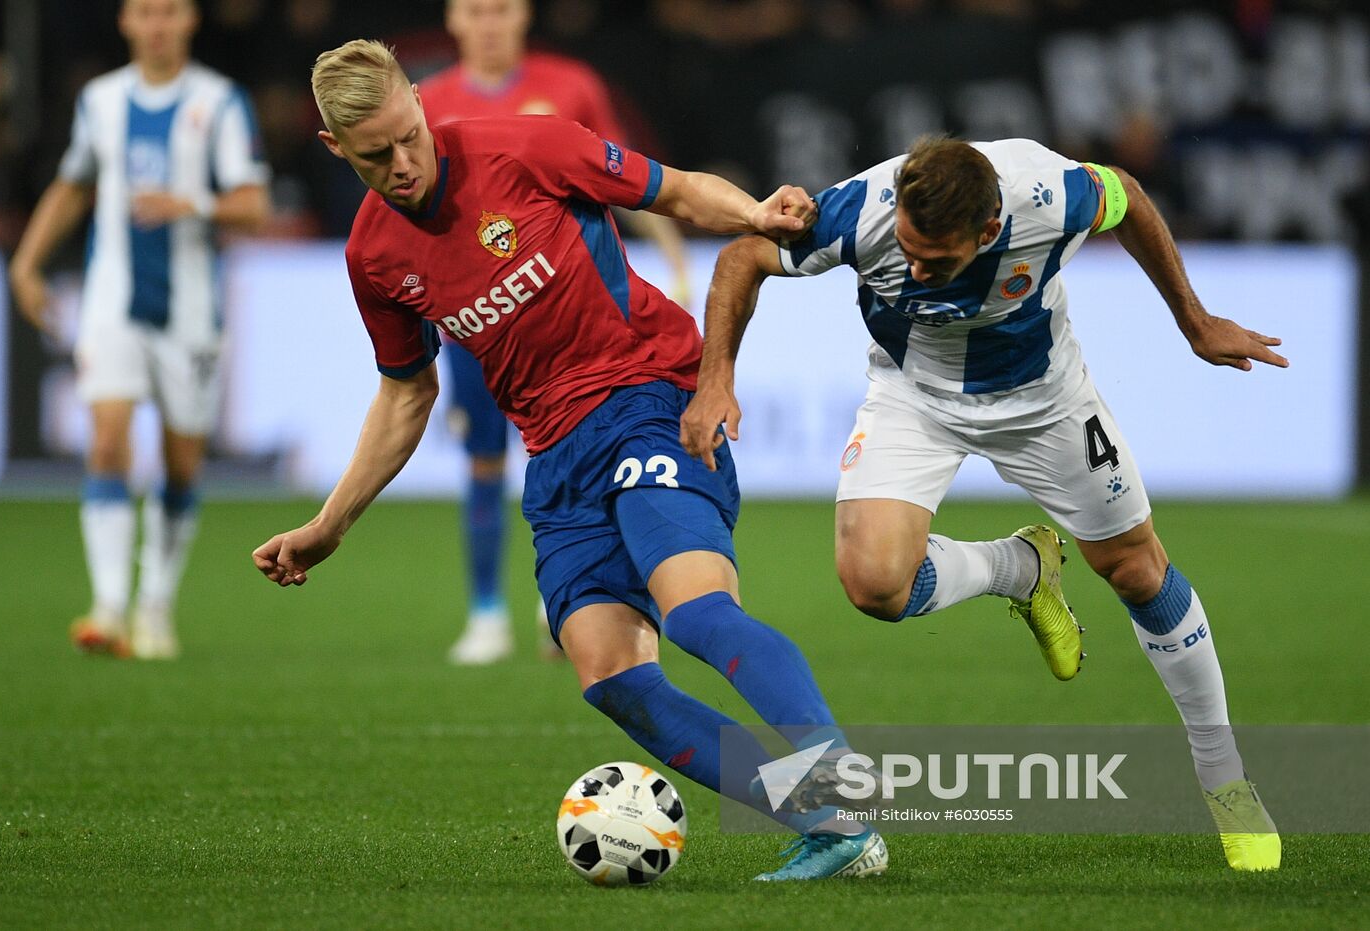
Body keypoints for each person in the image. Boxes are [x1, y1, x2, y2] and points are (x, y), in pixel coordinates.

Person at [253, 40, 887, 881]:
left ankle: (841, 787)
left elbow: (675, 189)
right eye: (376, 155)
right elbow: (406, 394)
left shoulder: (526, 145)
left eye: (409, 134)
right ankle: (823, 818)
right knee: (610, 674)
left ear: (416, 97)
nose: (404, 163)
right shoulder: (374, 257)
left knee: (696, 614)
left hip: (651, 396)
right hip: (554, 457)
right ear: (336, 149)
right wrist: (330, 523)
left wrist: (756, 216)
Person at [681, 134, 1286, 872]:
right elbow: (743, 256)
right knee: (873, 583)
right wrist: (717, 378)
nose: (911, 268)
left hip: (1044, 398)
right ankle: (1019, 568)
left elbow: (1128, 195)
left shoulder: (1050, 195)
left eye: (934, 260)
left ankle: (1224, 776)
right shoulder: (866, 209)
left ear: (990, 230)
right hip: (915, 395)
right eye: (905, 249)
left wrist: (1195, 321)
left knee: (1135, 570)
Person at [417, 0, 692, 665]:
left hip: (572, 316)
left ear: (522, 17)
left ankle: (565, 599)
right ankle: (485, 614)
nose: (489, 22)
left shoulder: (570, 87)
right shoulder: (426, 103)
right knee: (484, 461)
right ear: (454, 20)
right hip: (480, 325)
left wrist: (677, 260)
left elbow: (624, 172)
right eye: (476, 11)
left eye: (502, 9)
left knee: (582, 451)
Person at [9, 0, 270, 659]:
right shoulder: (99, 101)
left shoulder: (218, 101)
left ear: (189, 21)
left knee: (181, 463)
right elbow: (73, 185)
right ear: (126, 22)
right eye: (145, 12)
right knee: (106, 443)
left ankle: (156, 602)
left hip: (189, 312)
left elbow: (254, 204)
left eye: (169, 12)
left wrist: (194, 203)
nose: (156, 24)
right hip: (112, 302)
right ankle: (108, 607)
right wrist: (28, 263)